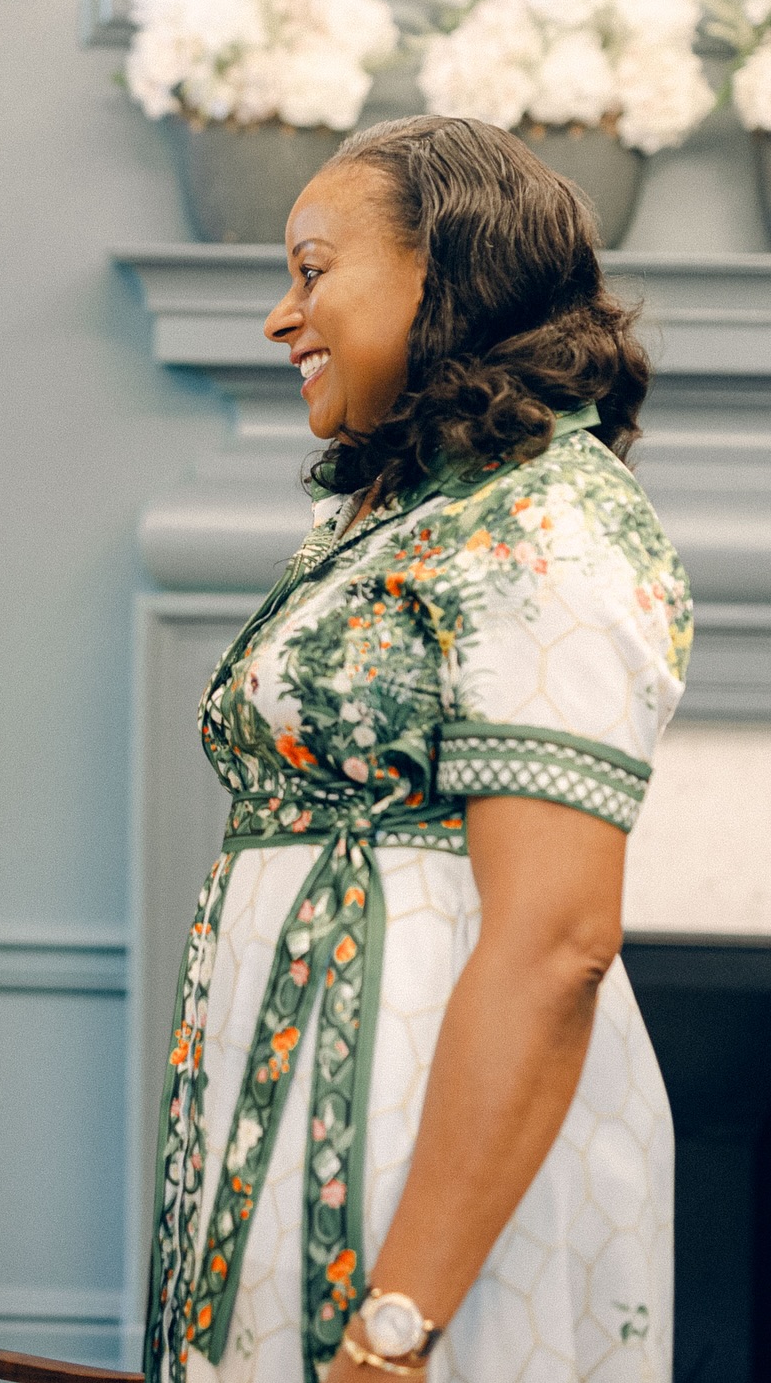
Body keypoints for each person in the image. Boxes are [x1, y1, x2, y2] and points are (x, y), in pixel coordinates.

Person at [143, 117, 691, 1383]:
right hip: (304, 1112)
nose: (281, 317)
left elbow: (556, 942)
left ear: (446, 274)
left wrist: (396, 1326)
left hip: (431, 1148)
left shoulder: (550, 519)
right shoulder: (397, 505)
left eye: (312, 270)